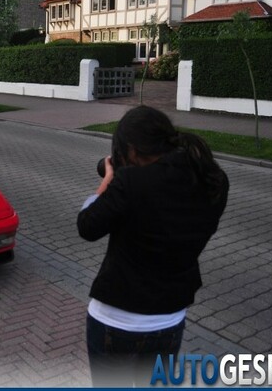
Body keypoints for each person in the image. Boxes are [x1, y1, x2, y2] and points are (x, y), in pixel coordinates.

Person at [77, 106, 229, 387]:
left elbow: (87, 226)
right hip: (169, 320)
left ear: (132, 150)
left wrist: (106, 184)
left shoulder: (130, 183)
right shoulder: (212, 180)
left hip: (116, 322)